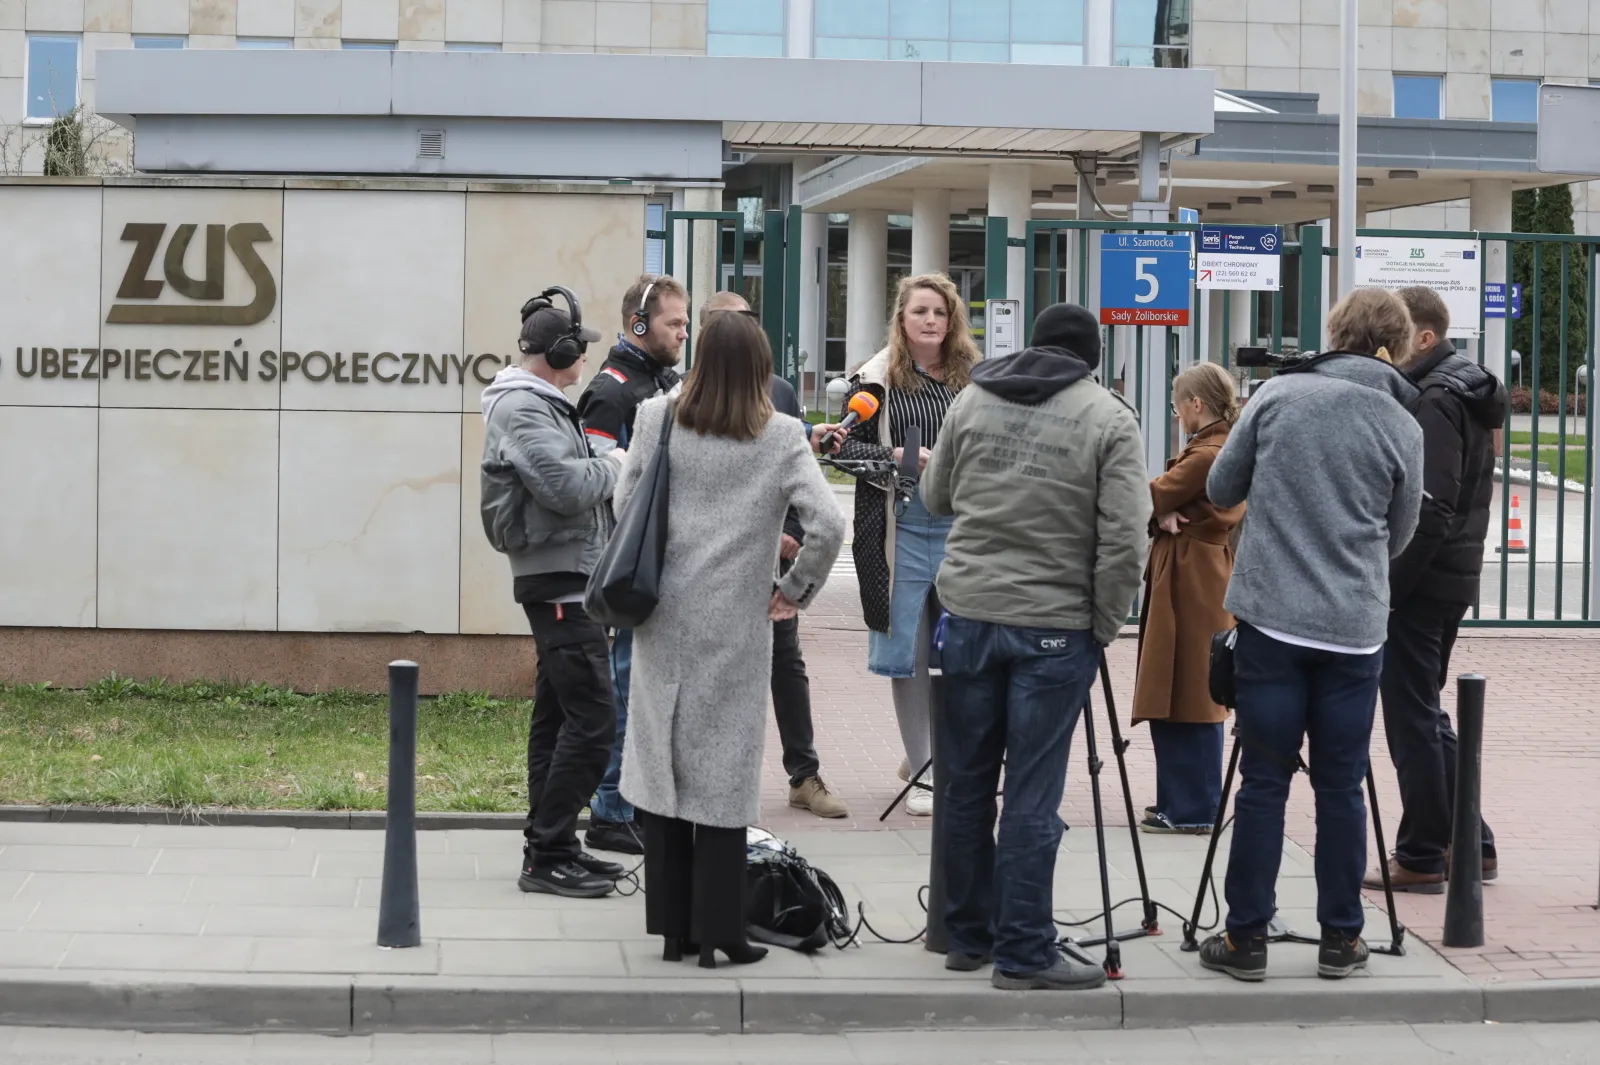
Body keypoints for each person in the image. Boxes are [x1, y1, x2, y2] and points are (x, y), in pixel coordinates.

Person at [1199, 287, 1425, 983]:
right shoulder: (1401, 423)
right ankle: (1341, 937)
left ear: (1335, 333)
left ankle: (1245, 939)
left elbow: (1219, 486)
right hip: (1353, 629)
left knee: (1263, 780)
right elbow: (1403, 530)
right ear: (1399, 343)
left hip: (1272, 620)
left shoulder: (1278, 395)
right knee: (1342, 782)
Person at [923, 302, 1149, 991]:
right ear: (1093, 357)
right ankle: (1024, 948)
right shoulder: (1110, 418)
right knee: (1031, 790)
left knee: (963, 783)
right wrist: (1104, 623)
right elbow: (1125, 541)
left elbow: (935, 496)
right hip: (1054, 624)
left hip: (967, 609)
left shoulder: (972, 398)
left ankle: (967, 934)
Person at [617, 311, 846, 969]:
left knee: (664, 762)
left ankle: (671, 929)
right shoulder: (778, 435)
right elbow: (829, 524)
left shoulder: (658, 416)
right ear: (759, 369)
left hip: (661, 612)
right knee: (723, 770)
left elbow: (624, 503)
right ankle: (721, 928)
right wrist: (792, 587)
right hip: (735, 622)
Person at [479, 289, 630, 899]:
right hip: (558, 578)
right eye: (580, 347)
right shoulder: (522, 406)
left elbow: (571, 468)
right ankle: (546, 855)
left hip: (569, 574)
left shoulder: (543, 405)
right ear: (559, 349)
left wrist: (601, 457)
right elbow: (566, 487)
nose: (586, 358)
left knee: (559, 718)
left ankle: (554, 844)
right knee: (595, 719)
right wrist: (620, 462)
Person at [1364, 286, 1506, 894]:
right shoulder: (1460, 390)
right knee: (1424, 710)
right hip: (1448, 577)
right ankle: (1473, 842)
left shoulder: (1436, 397)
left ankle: (1423, 855)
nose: (1389, 352)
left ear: (1424, 337)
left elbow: (1431, 504)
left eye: (1400, 338)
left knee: (1411, 718)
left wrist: (1391, 588)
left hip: (1423, 583)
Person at [836, 273, 980, 816]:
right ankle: (921, 770)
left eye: (940, 313)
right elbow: (843, 451)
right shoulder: (874, 380)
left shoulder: (973, 378)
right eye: (920, 311)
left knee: (962, 652)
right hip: (900, 527)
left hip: (962, 527)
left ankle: (944, 758)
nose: (930, 321)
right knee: (911, 654)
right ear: (901, 319)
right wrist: (894, 458)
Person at [699, 290, 848, 818]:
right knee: (713, 671)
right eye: (727, 323)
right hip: (707, 569)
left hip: (773, 564)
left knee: (786, 662)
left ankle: (803, 776)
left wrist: (785, 541)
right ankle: (706, 783)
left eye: (746, 322)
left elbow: (793, 475)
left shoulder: (780, 393)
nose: (740, 332)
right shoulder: (682, 398)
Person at [575, 274, 692, 856]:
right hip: (627, 564)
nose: (684, 333)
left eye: (686, 323)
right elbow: (600, 482)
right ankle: (610, 810)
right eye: (675, 323)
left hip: (656, 559)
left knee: (645, 691)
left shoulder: (662, 380)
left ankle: (632, 806)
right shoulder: (614, 389)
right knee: (623, 688)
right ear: (639, 326)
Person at [1133, 361, 1246, 835]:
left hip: (1190, 574)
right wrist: (1161, 516)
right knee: (1190, 685)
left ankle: (1191, 808)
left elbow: (1141, 495)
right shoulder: (1222, 446)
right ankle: (1181, 802)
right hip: (1198, 571)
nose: (1178, 415)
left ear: (1195, 404)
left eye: (1179, 406)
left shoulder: (1206, 454)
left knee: (1189, 688)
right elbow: (1158, 504)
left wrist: (1157, 513)